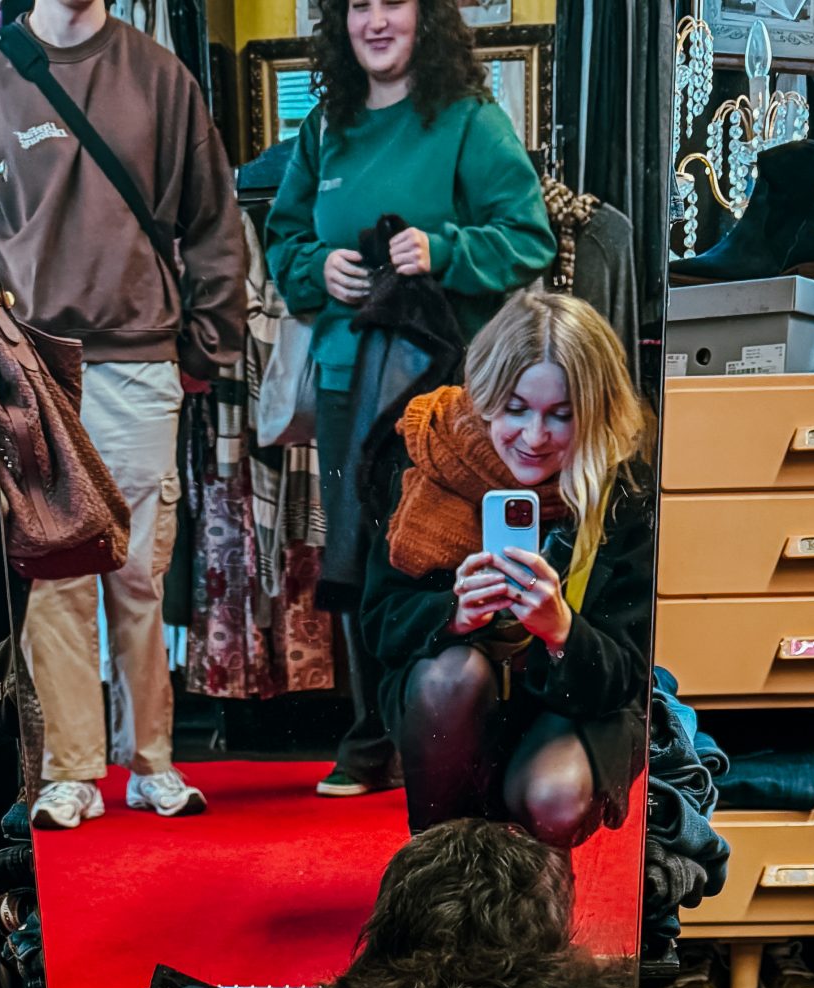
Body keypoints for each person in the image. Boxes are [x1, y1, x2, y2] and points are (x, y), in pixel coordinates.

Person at [0, 0, 247, 829]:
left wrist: (206, 346)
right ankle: (71, 770)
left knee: (137, 571)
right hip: (30, 364)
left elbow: (215, 223)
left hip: (138, 358)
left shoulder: (160, 76)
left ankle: (151, 759)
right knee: (52, 571)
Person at [265, 0, 555, 799]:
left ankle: (438, 730)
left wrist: (443, 249)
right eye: (358, 6)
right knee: (356, 555)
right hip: (343, 382)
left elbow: (529, 236)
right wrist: (316, 268)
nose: (375, 21)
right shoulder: (325, 128)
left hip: (443, 387)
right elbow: (284, 239)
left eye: (391, 2)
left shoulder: (468, 120)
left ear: (425, 16)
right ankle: (372, 737)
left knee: (432, 550)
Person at [362, 289, 657, 852]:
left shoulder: (623, 490)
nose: (535, 437)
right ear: (485, 397)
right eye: (516, 409)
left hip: (575, 707)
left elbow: (628, 677)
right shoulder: (434, 455)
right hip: (452, 699)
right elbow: (380, 623)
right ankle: (440, 870)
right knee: (451, 676)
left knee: (555, 796)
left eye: (561, 415)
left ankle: (534, 883)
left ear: (594, 411)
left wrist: (562, 631)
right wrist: (453, 616)